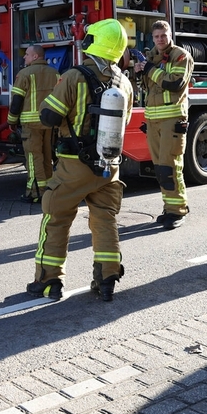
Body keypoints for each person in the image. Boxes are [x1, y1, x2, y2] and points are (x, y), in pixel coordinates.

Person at [26, 19, 133, 302]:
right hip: (109, 167)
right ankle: (107, 278)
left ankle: (48, 280)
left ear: (92, 42)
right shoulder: (124, 83)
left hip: (74, 165)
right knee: (105, 219)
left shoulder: (74, 76)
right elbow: (124, 124)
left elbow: (49, 117)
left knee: (56, 217)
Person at [133, 20, 194, 229]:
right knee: (160, 168)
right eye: (157, 36)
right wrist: (139, 72)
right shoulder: (151, 57)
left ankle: (178, 211)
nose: (160, 40)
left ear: (170, 36)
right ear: (152, 38)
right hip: (153, 120)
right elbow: (147, 87)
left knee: (171, 167)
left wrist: (150, 69)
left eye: (163, 36)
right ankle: (169, 208)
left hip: (172, 120)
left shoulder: (180, 56)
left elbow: (175, 83)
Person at [7, 44, 60, 203]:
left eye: (27, 54)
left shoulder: (24, 74)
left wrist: (11, 121)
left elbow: (17, 101)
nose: (24, 57)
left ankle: (35, 192)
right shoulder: (55, 74)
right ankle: (48, 190)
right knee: (47, 157)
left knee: (33, 157)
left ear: (35, 56)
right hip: (49, 124)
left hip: (31, 126)